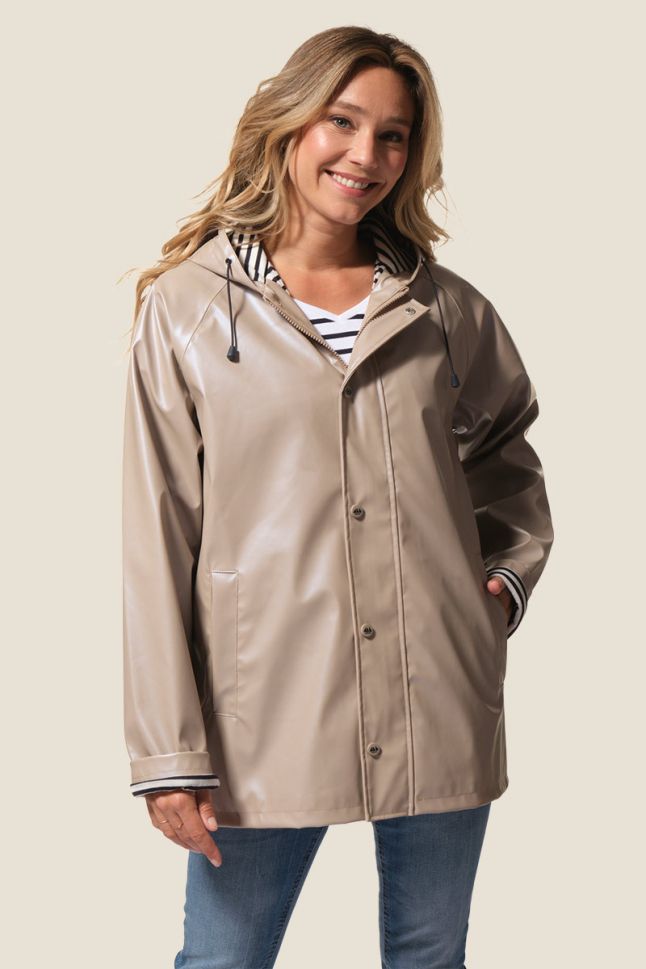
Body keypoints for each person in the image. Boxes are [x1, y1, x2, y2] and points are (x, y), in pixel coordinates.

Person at [120, 25, 554, 969]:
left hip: (435, 690)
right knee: (224, 958)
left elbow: (506, 450)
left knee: (430, 956)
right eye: (343, 121)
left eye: (394, 136)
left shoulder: (444, 309)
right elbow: (158, 537)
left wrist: (499, 587)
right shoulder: (188, 309)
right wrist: (168, 754)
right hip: (262, 713)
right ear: (290, 123)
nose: (367, 154)